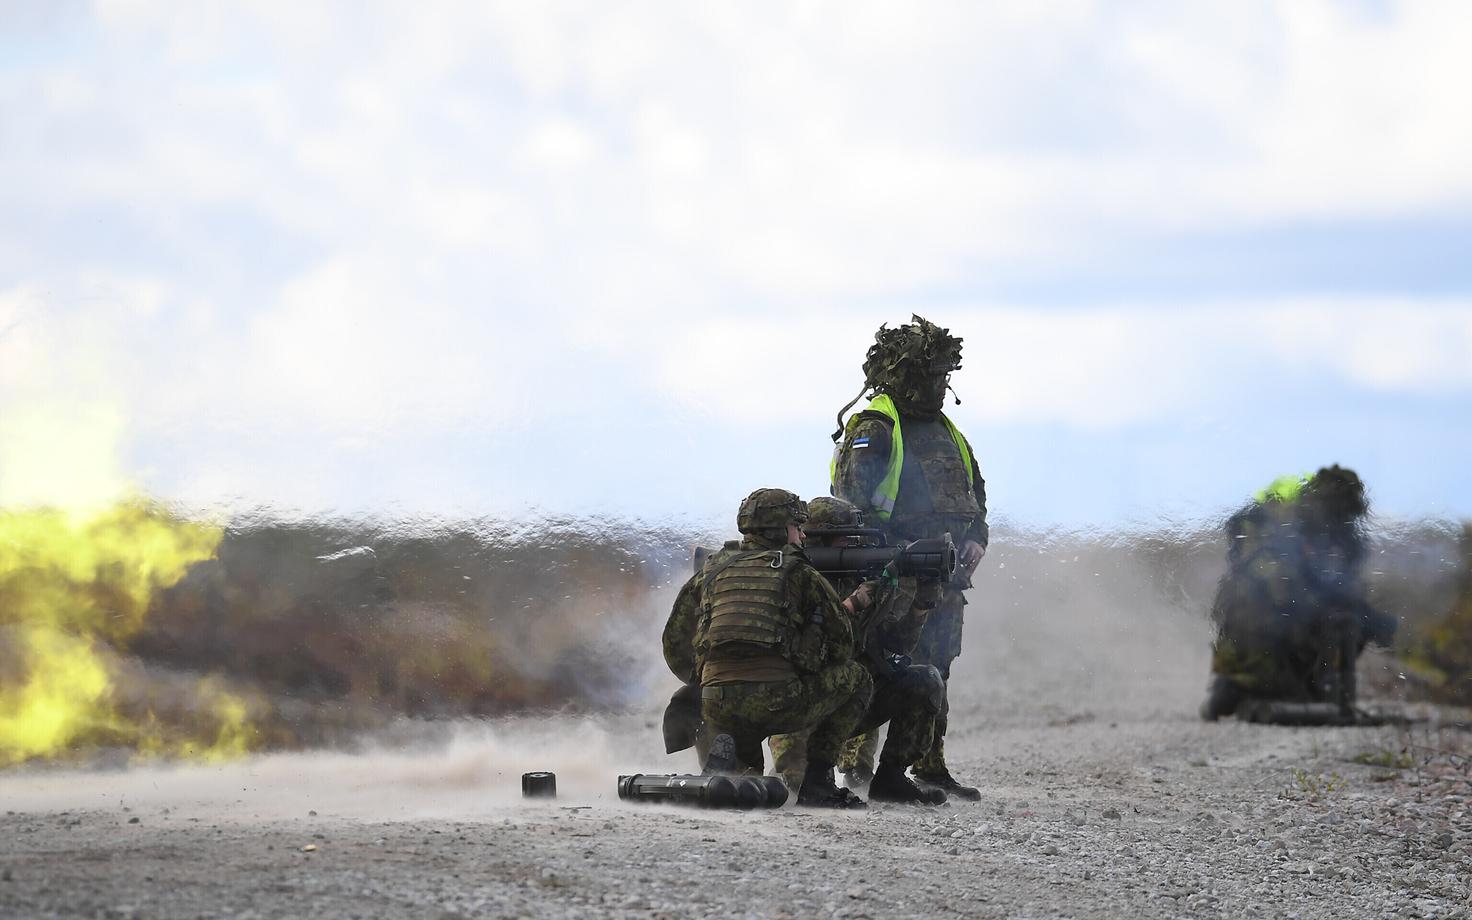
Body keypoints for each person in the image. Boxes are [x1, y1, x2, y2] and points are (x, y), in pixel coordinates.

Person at [830, 315, 987, 800]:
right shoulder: (876, 427)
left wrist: (977, 537)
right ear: (905, 374)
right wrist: (887, 561)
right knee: (877, 661)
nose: (941, 385)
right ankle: (856, 765)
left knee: (936, 665)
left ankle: (928, 764)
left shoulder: (947, 432)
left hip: (945, 576)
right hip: (890, 575)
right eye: (932, 374)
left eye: (945, 375)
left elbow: (974, 492)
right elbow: (849, 503)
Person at [661, 488, 872, 808]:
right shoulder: (800, 572)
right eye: (797, 527)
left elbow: (674, 644)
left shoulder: (712, 570)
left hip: (718, 704)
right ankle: (818, 782)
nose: (802, 534)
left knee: (745, 782)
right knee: (858, 677)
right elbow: (843, 646)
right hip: (779, 702)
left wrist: (705, 679)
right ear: (780, 529)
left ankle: (728, 761)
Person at [767, 497, 948, 805]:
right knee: (792, 789)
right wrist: (852, 605)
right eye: (844, 537)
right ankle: (808, 774)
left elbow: (893, 646)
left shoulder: (857, 578)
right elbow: (807, 648)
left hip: (849, 702)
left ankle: (891, 778)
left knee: (924, 681)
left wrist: (920, 606)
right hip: (802, 707)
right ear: (818, 537)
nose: (853, 543)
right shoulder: (794, 579)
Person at [1201, 465, 1395, 720]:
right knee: (1333, 624)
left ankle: (1293, 688)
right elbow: (1284, 590)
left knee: (1345, 622)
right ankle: (1241, 686)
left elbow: (1339, 588)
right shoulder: (1283, 533)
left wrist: (1366, 616)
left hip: (1267, 622)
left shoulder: (1333, 537)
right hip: (1261, 623)